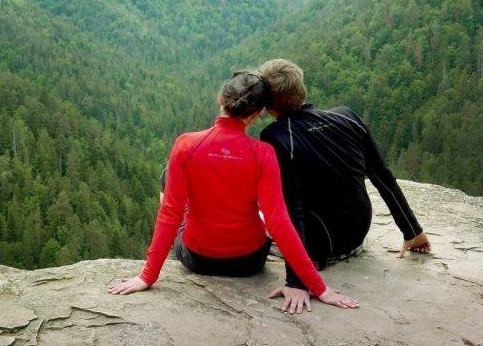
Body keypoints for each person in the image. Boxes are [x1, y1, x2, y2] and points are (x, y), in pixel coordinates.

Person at [107, 70, 358, 314]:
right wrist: (319, 287)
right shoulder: (263, 154)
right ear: (258, 114)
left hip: (197, 259)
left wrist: (147, 276)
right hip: (249, 261)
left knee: (174, 194)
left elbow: (168, 215)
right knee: (254, 211)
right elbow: (279, 223)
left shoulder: (186, 145)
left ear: (221, 100)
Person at [255, 58, 430, 295]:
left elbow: (291, 207)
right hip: (359, 231)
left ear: (268, 101)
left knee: (259, 208)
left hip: (322, 247)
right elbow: (382, 176)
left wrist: (296, 282)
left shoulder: (276, 136)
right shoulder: (348, 117)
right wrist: (413, 231)